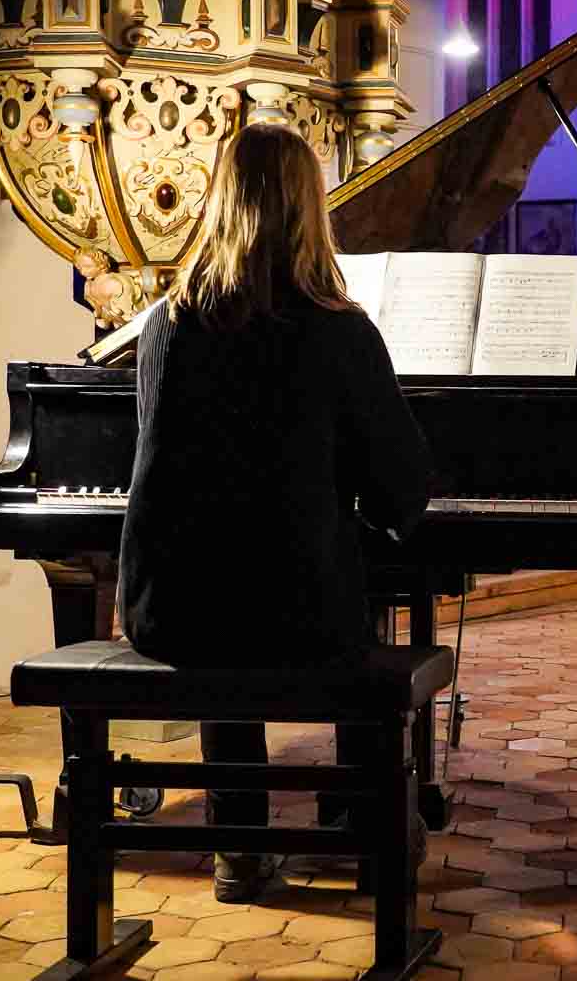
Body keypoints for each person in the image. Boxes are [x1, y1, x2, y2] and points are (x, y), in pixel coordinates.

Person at [119, 124, 433, 902]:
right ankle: (366, 824)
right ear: (309, 209)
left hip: (175, 610)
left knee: (226, 593)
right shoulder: (339, 329)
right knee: (323, 595)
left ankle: (241, 847)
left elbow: (162, 472)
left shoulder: (166, 323)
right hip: (299, 616)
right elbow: (400, 491)